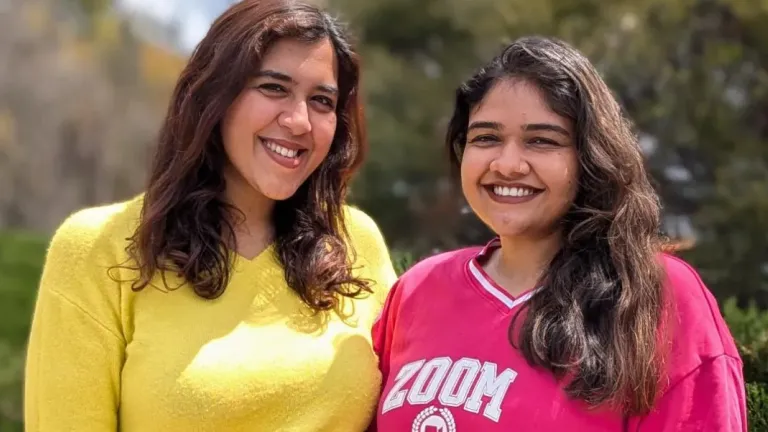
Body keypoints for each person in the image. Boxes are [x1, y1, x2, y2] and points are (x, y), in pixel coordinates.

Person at [24, 0, 396, 430]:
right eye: (273, 88)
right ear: (214, 95)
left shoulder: (355, 242)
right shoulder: (96, 249)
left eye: (321, 101)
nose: (300, 121)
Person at [372, 36, 747, 431]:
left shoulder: (657, 295)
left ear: (591, 156)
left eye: (541, 141)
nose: (508, 164)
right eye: (486, 138)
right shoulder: (418, 289)